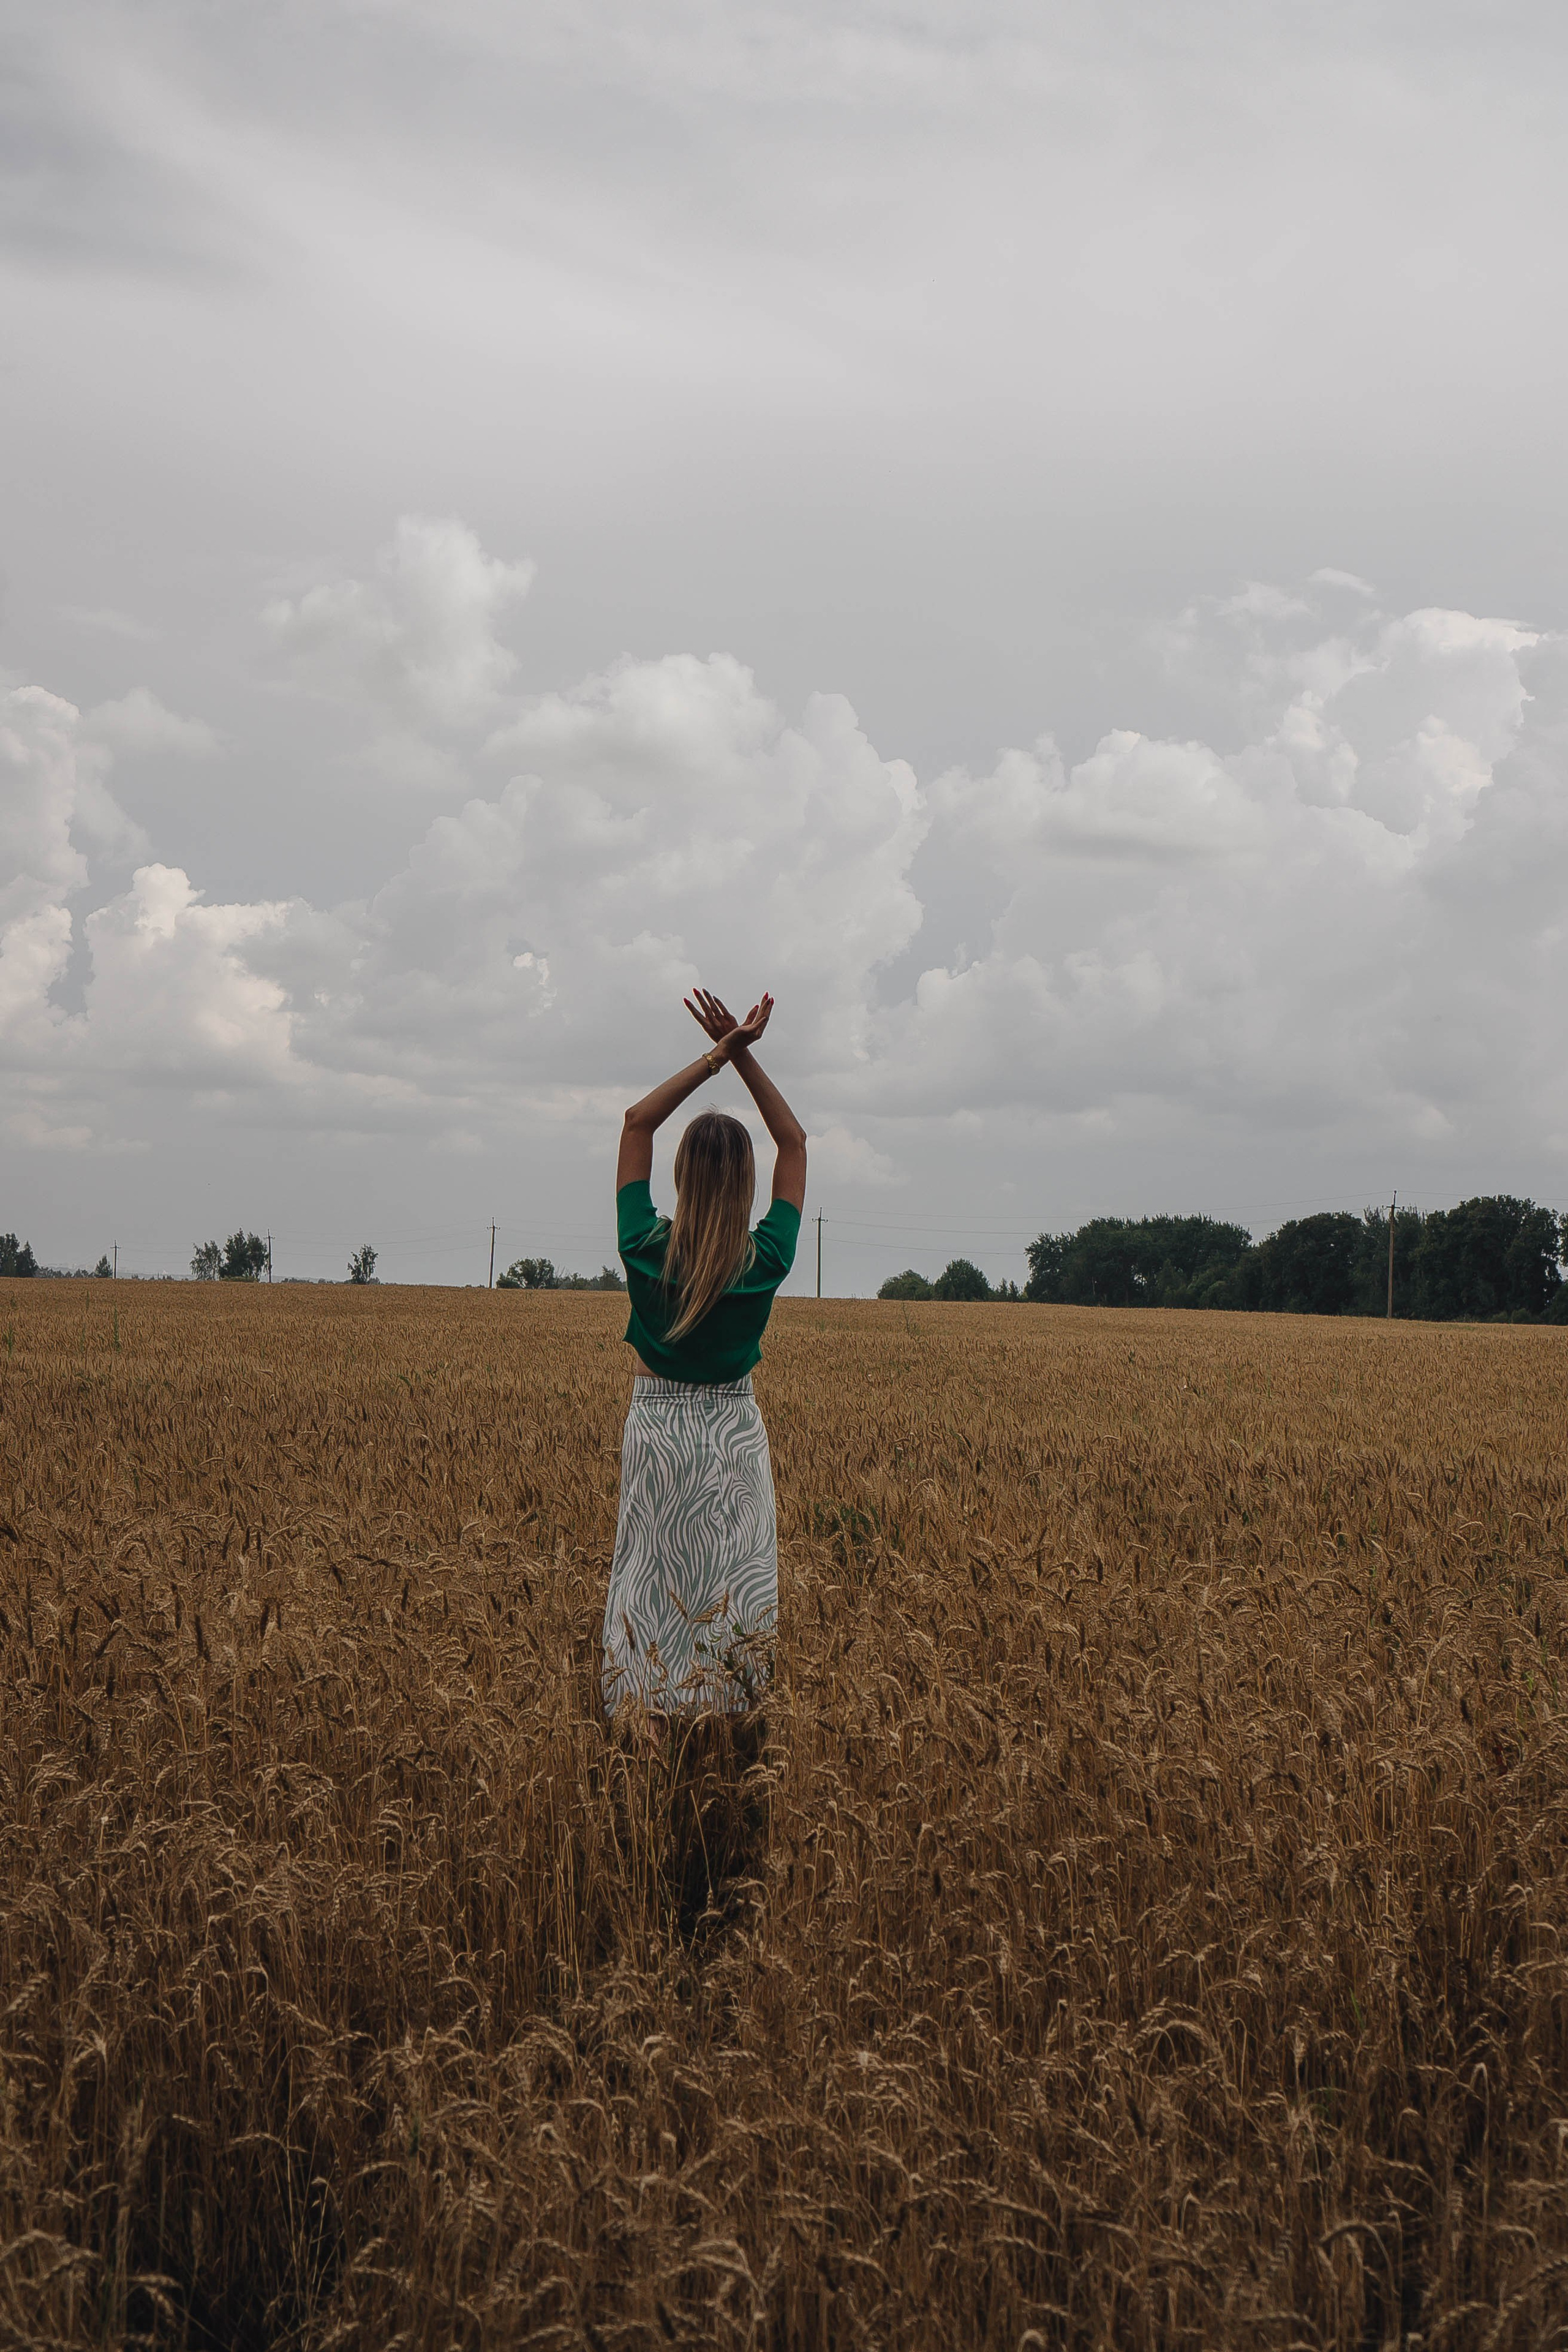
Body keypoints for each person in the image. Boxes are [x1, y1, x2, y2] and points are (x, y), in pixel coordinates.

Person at [601, 987, 807, 1727]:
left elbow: (636, 1122)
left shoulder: (645, 1250)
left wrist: (718, 1056)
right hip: (733, 1433)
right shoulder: (768, 1259)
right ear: (747, 1185)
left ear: (682, 1178)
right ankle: (733, 1719)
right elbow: (795, 1143)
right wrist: (749, 1056)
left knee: (650, 1578)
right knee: (736, 1577)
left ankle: (640, 1716)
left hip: (656, 1432)